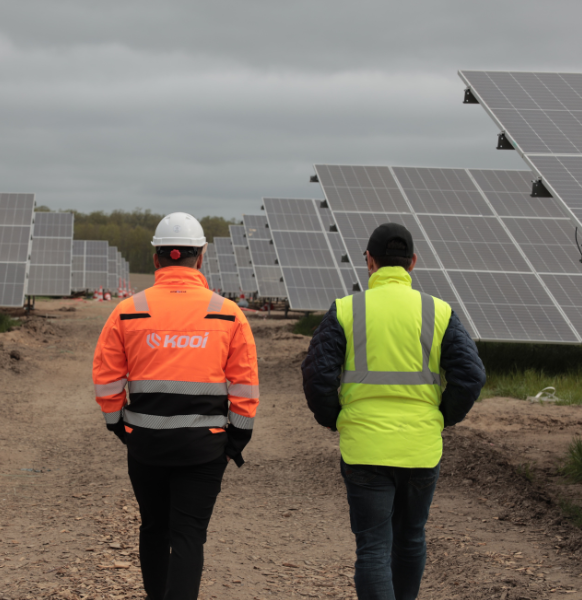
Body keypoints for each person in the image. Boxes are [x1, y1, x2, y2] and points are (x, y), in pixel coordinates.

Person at [301, 223, 485, 600]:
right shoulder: (439, 311)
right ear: (412, 262)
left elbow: (316, 374)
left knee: (372, 548)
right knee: (411, 537)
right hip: (420, 447)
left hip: (364, 448)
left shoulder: (346, 310)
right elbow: (471, 375)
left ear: (369, 261)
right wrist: (441, 416)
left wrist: (336, 418)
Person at [93, 212, 259, 600]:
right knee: (188, 536)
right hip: (204, 448)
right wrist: (235, 440)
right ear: (200, 257)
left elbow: (107, 379)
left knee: (153, 528)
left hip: (146, 445)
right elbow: (245, 385)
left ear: (156, 258)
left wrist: (119, 425)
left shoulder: (127, 311)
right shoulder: (227, 313)